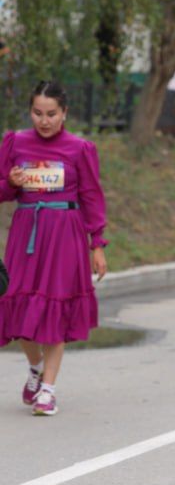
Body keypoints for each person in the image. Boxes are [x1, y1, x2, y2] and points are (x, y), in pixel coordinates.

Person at [0, 80, 108, 416]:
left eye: (51, 114)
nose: (44, 121)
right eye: (37, 113)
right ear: (30, 111)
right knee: (15, 303)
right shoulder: (15, 142)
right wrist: (11, 183)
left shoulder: (79, 148)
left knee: (55, 307)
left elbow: (91, 196)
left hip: (64, 235)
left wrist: (97, 244)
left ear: (64, 113)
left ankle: (47, 389)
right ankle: (35, 367)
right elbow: (2, 190)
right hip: (26, 233)